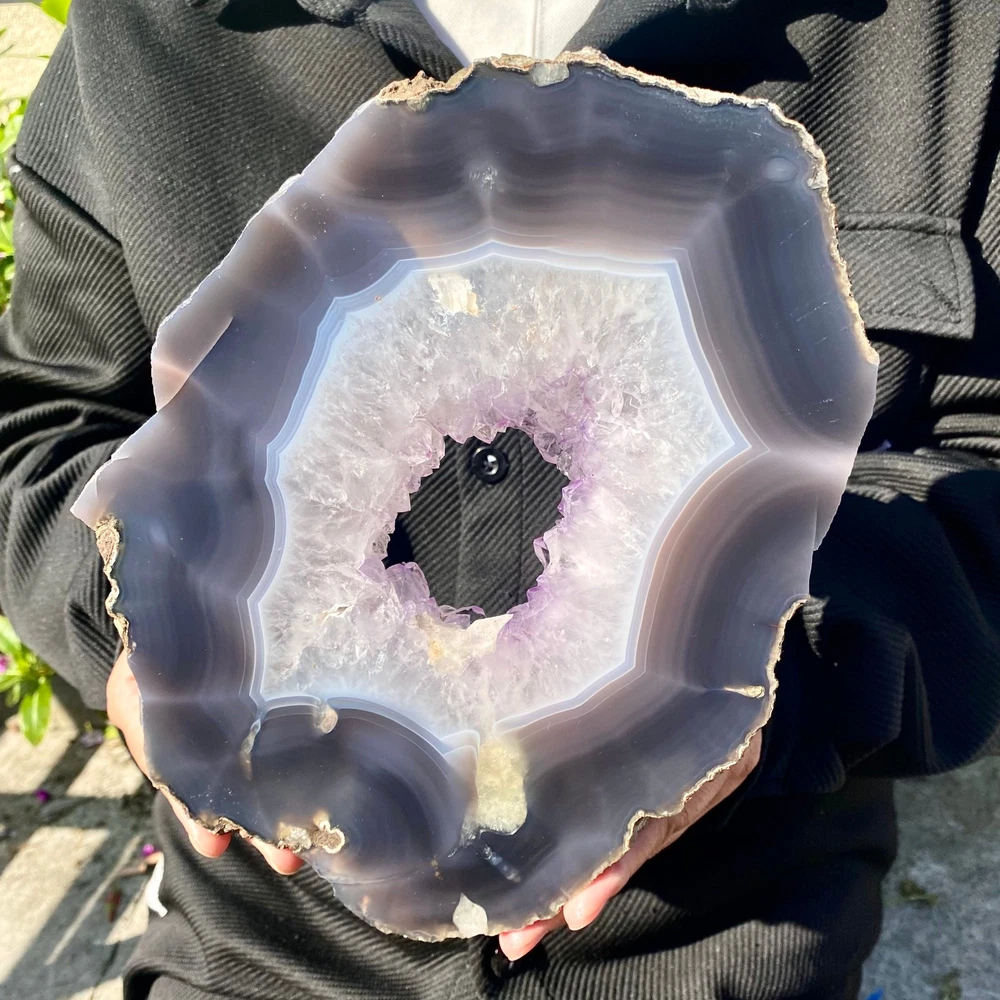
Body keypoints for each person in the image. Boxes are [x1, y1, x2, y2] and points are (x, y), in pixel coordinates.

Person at [1, 1, 998, 997]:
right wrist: (146, 623)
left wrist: (751, 662)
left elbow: (981, 458)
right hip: (267, 951)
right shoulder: (150, 28)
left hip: (721, 945)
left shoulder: (941, 33)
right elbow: (37, 421)